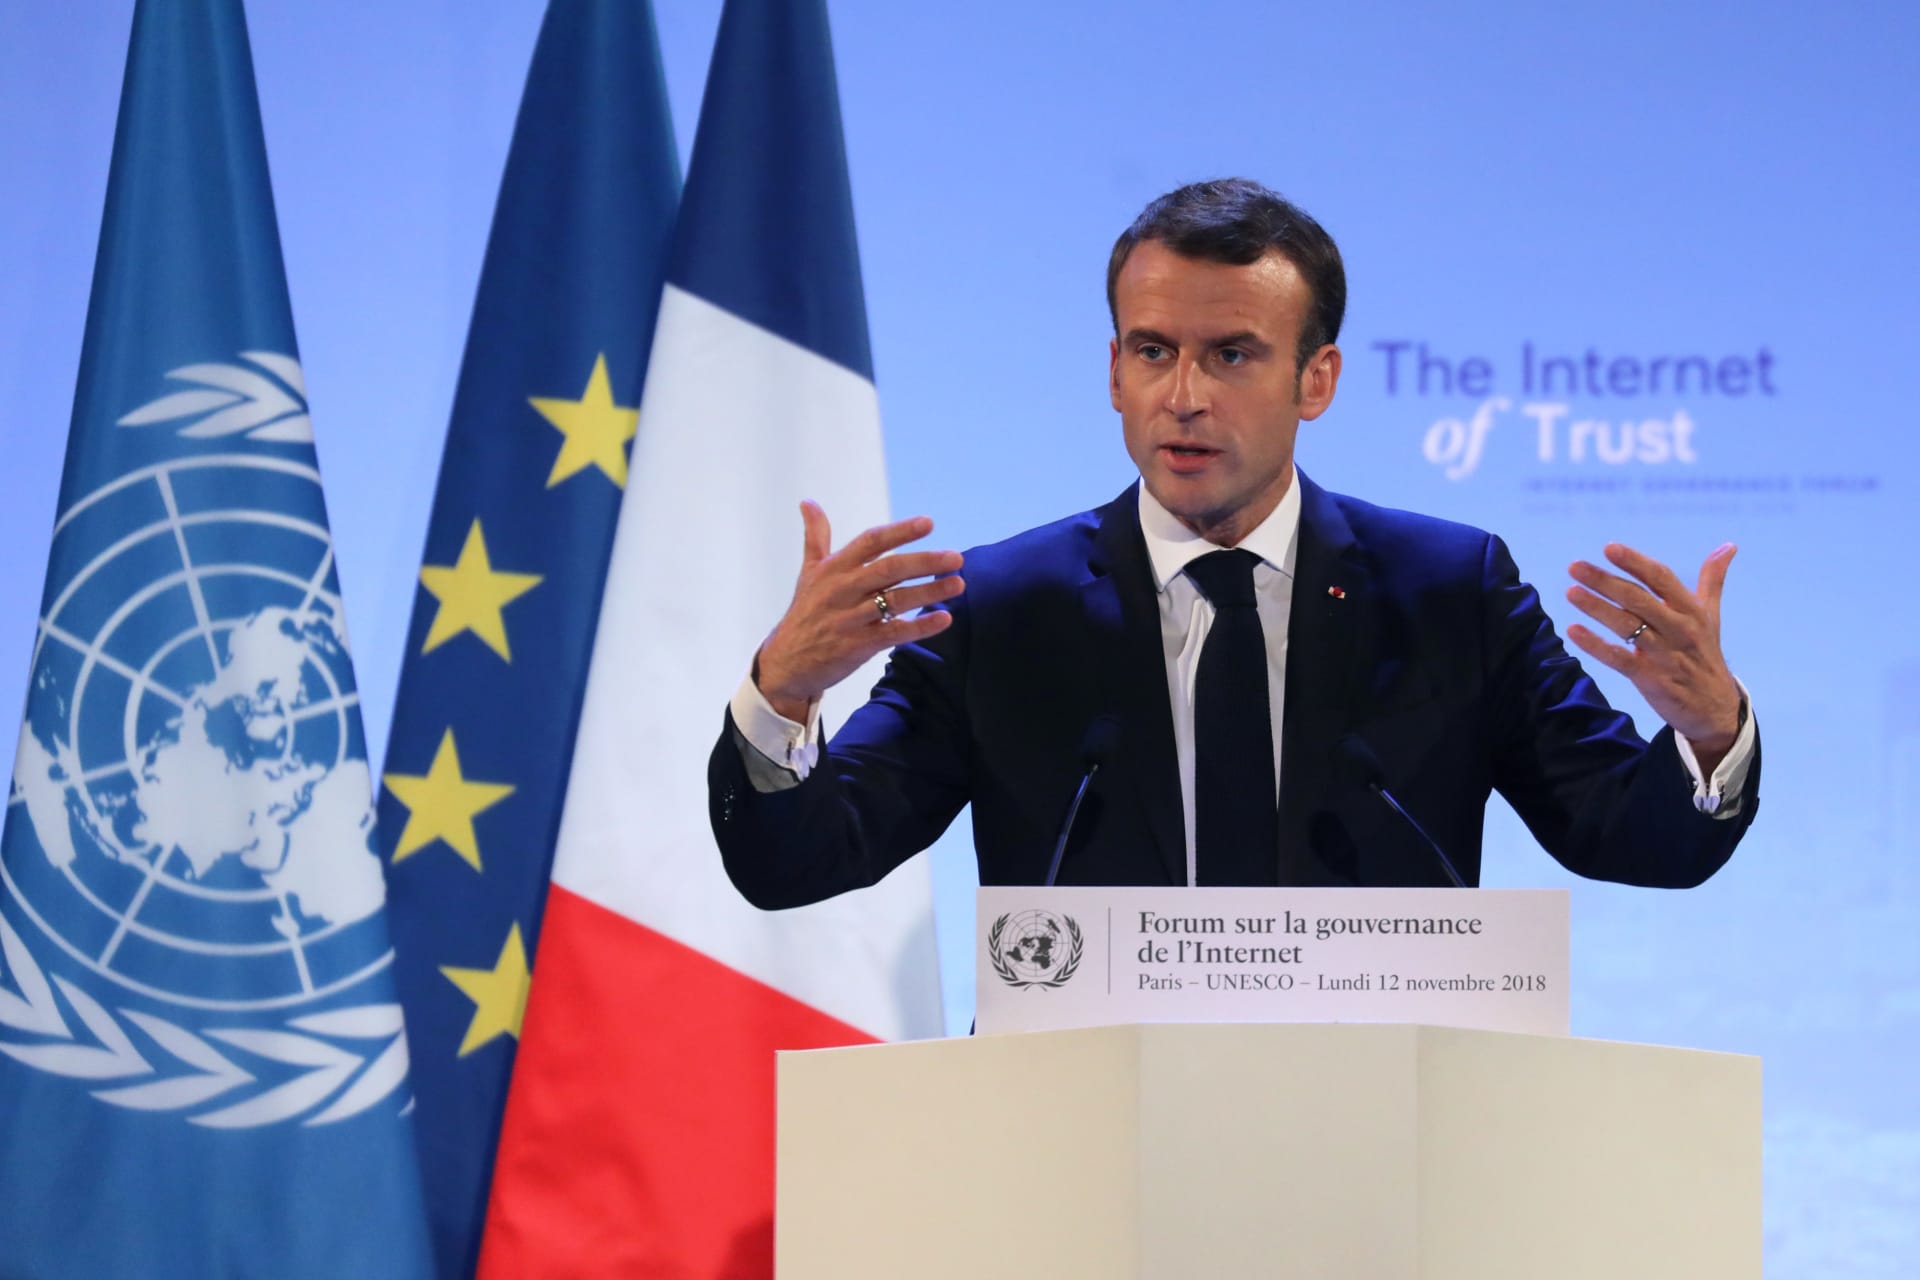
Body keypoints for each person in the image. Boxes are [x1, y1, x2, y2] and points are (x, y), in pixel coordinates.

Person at [707, 178, 1757, 904]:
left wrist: (1709, 735)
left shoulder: (1450, 591)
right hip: (1076, 1154)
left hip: (1377, 1148)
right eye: (1152, 350)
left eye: (1232, 354)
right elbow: (799, 862)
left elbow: (1628, 835)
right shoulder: (1002, 609)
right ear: (1113, 370)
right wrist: (783, 696)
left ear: (1318, 380)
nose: (1183, 396)